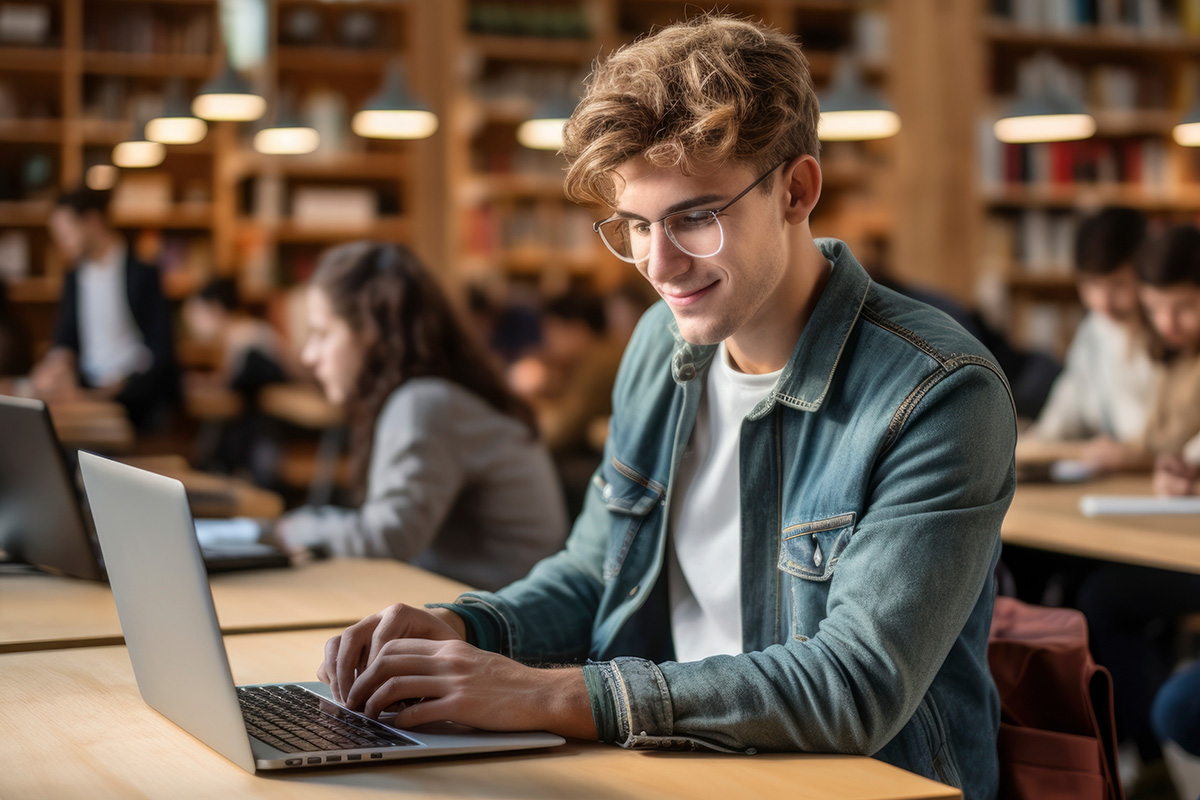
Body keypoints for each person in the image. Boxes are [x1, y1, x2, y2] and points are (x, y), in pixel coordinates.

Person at [313, 17, 1016, 799]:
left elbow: (852, 687)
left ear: (797, 190)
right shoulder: (659, 344)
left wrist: (544, 694)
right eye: (636, 226)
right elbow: (595, 571)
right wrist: (464, 629)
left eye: (693, 218)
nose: (658, 263)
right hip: (669, 762)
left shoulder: (941, 389)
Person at [267, 241, 568, 592]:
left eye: (322, 333)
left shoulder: (424, 402)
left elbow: (389, 537)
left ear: (370, 330)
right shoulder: (439, 393)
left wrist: (293, 527)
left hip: (500, 623)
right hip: (489, 605)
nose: (308, 355)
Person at [1076, 223, 1200, 797]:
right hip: (1177, 529)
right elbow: (1169, 446)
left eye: (1184, 307)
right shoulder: (1173, 361)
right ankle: (1139, 753)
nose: (1168, 323)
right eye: (1159, 310)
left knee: (1104, 597)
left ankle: (1148, 756)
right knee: (1094, 591)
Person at [29, 186, 178, 429]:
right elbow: (65, 339)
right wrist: (54, 366)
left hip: (135, 398)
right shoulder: (74, 277)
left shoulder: (142, 273)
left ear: (92, 221)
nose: (62, 244)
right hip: (87, 391)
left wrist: (116, 390)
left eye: (66, 234)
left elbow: (160, 351)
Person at [1029, 207, 1158, 472]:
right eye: (1091, 285)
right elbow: (1065, 411)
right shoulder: (1093, 332)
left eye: (1118, 285)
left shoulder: (1174, 333)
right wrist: (1034, 443)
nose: (1103, 302)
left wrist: (1134, 455)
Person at [182, 277, 291, 480]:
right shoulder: (245, 330)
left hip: (272, 413)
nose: (191, 326)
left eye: (195, 315)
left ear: (214, 309)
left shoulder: (244, 335)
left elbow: (232, 381)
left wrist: (203, 383)